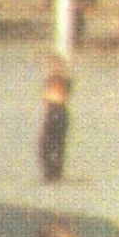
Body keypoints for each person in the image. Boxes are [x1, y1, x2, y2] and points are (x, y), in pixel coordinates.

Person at [37, 53, 76, 185]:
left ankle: (54, 172)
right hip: (52, 111)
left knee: (55, 143)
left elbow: (58, 95)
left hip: (58, 110)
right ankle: (51, 171)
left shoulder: (60, 79)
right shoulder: (51, 78)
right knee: (49, 143)